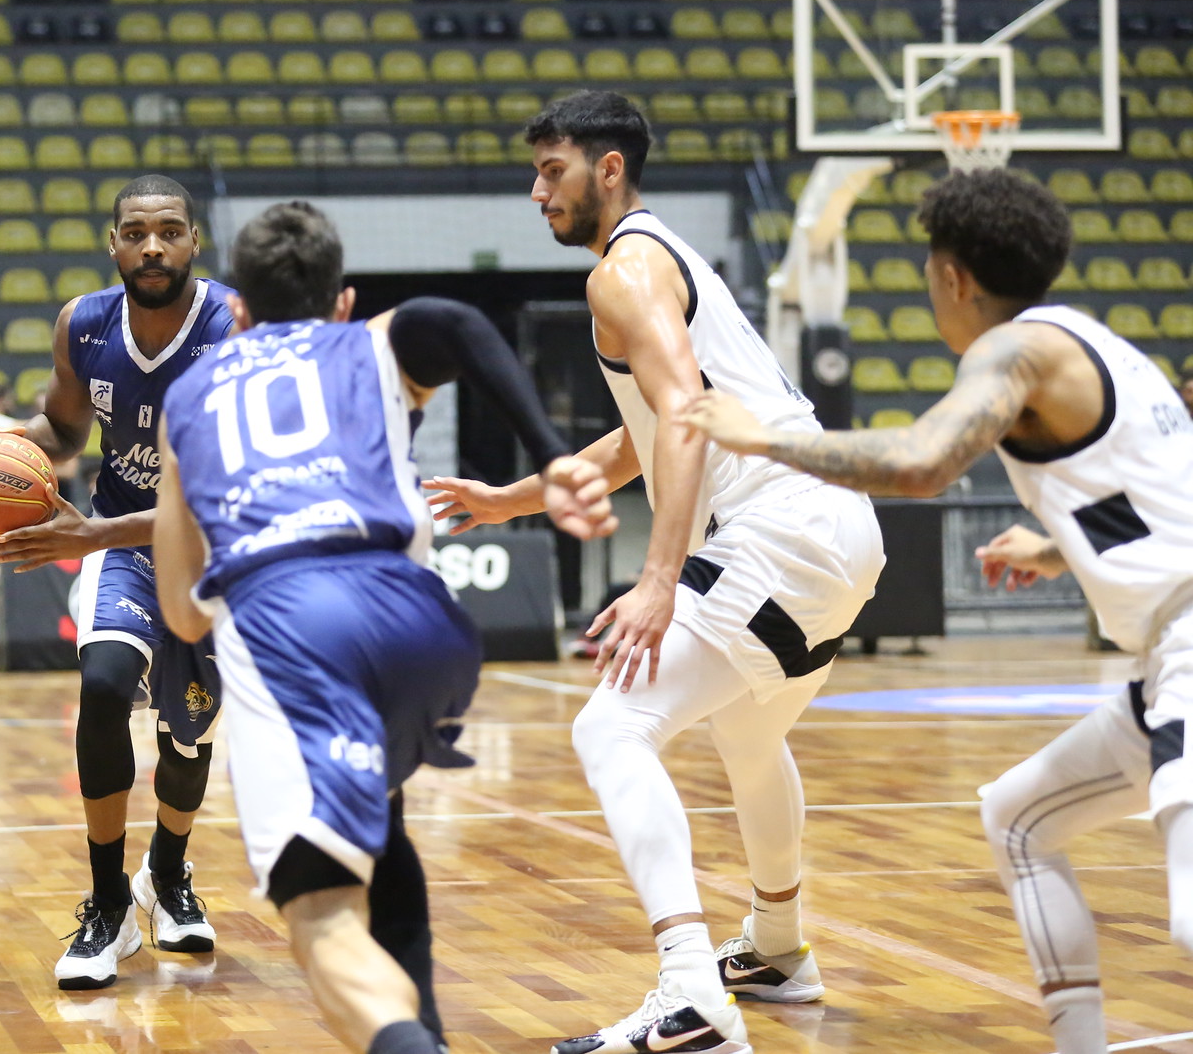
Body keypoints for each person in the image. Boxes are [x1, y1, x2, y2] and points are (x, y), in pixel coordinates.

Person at [682, 167, 1193, 1054]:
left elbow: (921, 462)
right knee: (1019, 818)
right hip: (1165, 655)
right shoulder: (1097, 344)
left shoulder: (1015, 352)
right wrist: (1057, 546)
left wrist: (762, 434)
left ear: (953, 277)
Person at [427, 91, 883, 1054]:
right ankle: (778, 946)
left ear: (608, 168)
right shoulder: (658, 255)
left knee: (611, 724)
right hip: (834, 525)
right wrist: (512, 499)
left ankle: (692, 994)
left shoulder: (624, 271)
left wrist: (660, 574)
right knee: (750, 735)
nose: (535, 189)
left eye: (551, 169)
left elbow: (681, 420)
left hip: (780, 528)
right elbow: (649, 431)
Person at [153, 200, 613, 1054]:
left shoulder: (187, 397)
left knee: (321, 919)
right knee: (384, 826)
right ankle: (425, 1028)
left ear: (239, 314)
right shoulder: (371, 340)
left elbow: (182, 609)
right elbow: (455, 321)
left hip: (292, 614)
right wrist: (552, 455)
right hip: (419, 616)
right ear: (342, 301)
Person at [0, 174, 239, 991]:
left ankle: (167, 873)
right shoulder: (83, 324)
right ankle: (108, 902)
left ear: (193, 242)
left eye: (170, 231)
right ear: (112, 244)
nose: (152, 246)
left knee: (189, 736)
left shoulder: (234, 327)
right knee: (106, 684)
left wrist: (88, 531)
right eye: (136, 232)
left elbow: (224, 491)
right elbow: (66, 431)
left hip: (211, 552)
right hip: (120, 542)